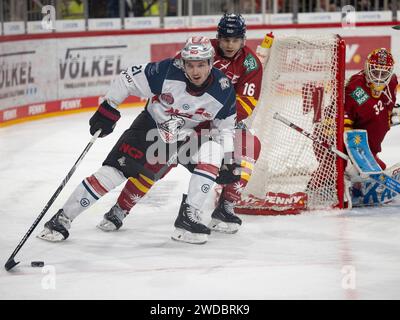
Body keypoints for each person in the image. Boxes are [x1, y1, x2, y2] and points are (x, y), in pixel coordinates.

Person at [38, 36, 237, 245]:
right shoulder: (167, 71)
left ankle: (188, 217)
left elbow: (225, 128)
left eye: (201, 65)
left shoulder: (223, 90)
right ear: (183, 63)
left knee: (214, 151)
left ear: (210, 62)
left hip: (185, 137)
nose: (195, 71)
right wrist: (109, 107)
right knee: (113, 174)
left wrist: (229, 158)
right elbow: (127, 78)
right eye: (190, 65)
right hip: (150, 128)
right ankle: (61, 219)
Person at [94, 13, 263, 236]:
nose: (230, 44)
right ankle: (120, 209)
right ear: (218, 37)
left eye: (235, 39)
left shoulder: (251, 64)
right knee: (157, 163)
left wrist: (212, 115)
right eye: (225, 39)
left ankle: (226, 206)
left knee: (250, 146)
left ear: (243, 39)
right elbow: (173, 83)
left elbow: (245, 104)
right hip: (183, 121)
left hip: (217, 124)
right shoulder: (200, 50)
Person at [344, 48, 397, 170]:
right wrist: (353, 153)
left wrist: (388, 116)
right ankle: (319, 186)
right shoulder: (356, 88)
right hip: (350, 146)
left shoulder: (392, 82)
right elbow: (345, 119)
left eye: (383, 74)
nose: (378, 78)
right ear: (367, 68)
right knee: (336, 171)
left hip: (368, 150)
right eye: (375, 72)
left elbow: (382, 108)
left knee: (380, 169)